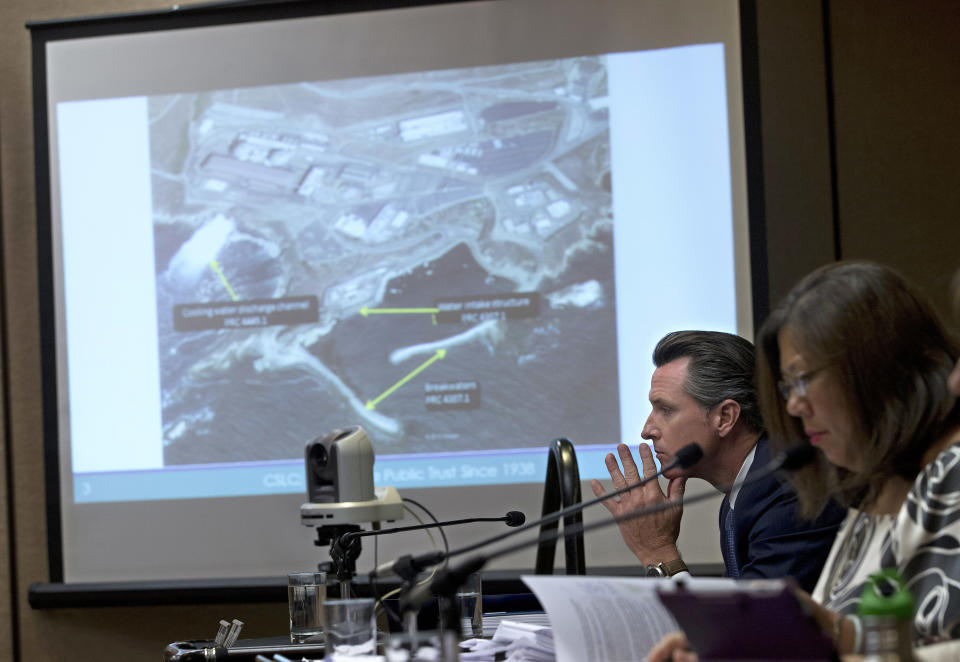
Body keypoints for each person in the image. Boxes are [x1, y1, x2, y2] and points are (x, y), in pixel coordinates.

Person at [649, 262, 960, 662]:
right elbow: (868, 635)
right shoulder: (872, 488)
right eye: (787, 386)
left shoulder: (950, 472)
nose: (794, 405)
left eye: (803, 379)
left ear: (871, 368)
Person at [590, 330, 844, 590]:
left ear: (724, 417)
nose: (647, 430)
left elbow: (756, 625)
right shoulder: (744, 494)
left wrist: (658, 552)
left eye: (665, 409)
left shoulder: (790, 493)